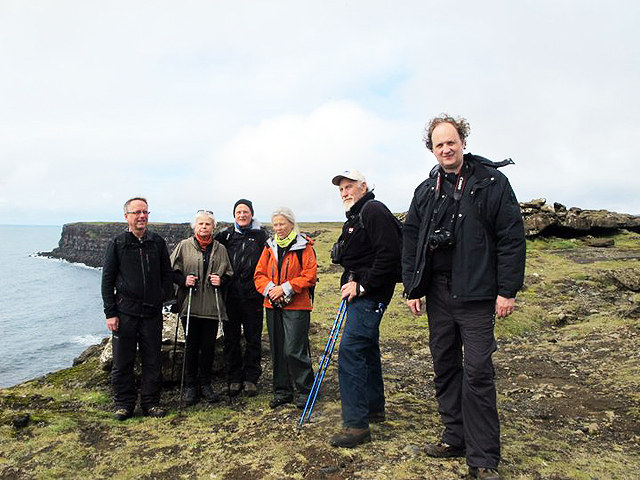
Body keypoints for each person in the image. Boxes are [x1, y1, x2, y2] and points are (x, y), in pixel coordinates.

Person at [402, 114, 526, 480]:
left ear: (463, 142)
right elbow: (411, 239)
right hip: (438, 294)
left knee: (478, 372)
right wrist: (412, 288)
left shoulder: (492, 182)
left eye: (451, 141)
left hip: (477, 295)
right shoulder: (427, 189)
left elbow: (511, 237)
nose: (446, 148)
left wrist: (507, 290)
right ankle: (454, 436)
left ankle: (484, 458)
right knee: (444, 365)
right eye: (439, 144)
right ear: (432, 149)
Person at [328, 170, 402, 448]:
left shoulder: (373, 211)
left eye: (349, 186)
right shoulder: (357, 216)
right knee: (367, 347)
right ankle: (373, 407)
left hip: (372, 294)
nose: (345, 192)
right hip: (363, 292)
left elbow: (389, 254)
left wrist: (362, 286)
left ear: (364, 186)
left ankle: (356, 425)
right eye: (341, 189)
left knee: (351, 349)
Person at [101, 197, 173, 420]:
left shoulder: (157, 242)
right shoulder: (117, 244)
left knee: (153, 359)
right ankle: (124, 404)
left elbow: (166, 275)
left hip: (152, 313)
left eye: (145, 212)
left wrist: (160, 296)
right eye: (137, 212)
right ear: (127, 217)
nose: (142, 216)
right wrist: (110, 313)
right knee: (123, 361)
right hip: (125, 313)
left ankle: (151, 403)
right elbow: (107, 280)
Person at [254, 207, 317, 409]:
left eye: (282, 224)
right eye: (275, 225)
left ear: (291, 223)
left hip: (297, 306)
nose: (278, 228)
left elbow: (310, 275)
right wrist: (272, 289)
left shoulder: (304, 246)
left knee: (294, 350)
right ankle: (282, 391)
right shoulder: (268, 247)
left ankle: (306, 390)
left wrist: (286, 288)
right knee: (278, 350)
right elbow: (259, 274)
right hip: (272, 305)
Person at [170, 210, 233, 406]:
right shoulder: (183, 246)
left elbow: (229, 273)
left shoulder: (220, 249)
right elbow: (170, 272)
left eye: (208, 224)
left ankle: (206, 384)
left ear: (213, 227)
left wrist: (221, 280)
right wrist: (183, 280)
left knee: (208, 347)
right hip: (190, 305)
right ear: (194, 227)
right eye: (200, 224)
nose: (204, 227)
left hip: (212, 307)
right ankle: (190, 386)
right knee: (191, 346)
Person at [215, 199, 268, 397]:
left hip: (253, 296)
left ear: (251, 214)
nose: (242, 215)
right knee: (231, 338)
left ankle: (251, 378)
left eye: (246, 212)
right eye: (239, 212)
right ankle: (234, 378)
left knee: (254, 338)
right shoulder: (225, 236)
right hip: (230, 296)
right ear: (234, 215)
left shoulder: (260, 236)